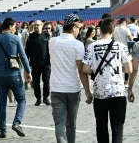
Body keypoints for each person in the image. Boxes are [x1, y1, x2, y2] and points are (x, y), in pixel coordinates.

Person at [83, 17, 132, 143]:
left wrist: (95, 71)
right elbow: (129, 69)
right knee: (117, 127)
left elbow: (85, 69)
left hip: (100, 93)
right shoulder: (120, 46)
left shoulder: (92, 46)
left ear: (100, 30)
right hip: (118, 92)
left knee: (101, 127)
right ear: (113, 31)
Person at [0, 17, 32, 138]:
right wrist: (28, 71)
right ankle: (17, 122)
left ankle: (3, 130)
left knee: (1, 103)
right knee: (21, 100)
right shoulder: (15, 38)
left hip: (0, 76)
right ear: (11, 26)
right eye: (14, 27)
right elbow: (23, 56)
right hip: (15, 75)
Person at [48, 14, 90, 143]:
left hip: (56, 87)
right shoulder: (78, 45)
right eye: (78, 28)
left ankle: (61, 140)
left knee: (59, 122)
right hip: (73, 88)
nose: (79, 31)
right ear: (73, 27)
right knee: (71, 124)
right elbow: (81, 70)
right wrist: (87, 91)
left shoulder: (52, 41)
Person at [26, 21, 52, 106]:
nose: (36, 26)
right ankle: (38, 98)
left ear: (42, 26)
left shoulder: (47, 36)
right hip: (35, 63)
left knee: (46, 80)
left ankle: (45, 97)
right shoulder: (30, 37)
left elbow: (51, 49)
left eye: (38, 25)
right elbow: (27, 51)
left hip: (46, 63)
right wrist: (26, 63)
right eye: (35, 25)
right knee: (36, 82)